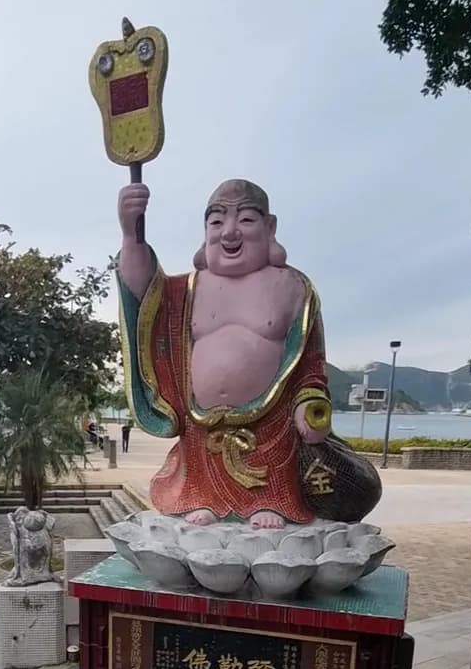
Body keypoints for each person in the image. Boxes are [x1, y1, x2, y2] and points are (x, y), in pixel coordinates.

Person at [117, 178, 333, 528]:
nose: (229, 232)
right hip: (201, 425)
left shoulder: (292, 287)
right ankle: (200, 497)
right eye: (216, 222)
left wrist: (311, 404)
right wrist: (131, 234)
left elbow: (310, 360)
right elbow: (142, 296)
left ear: (270, 226)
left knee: (272, 467)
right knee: (200, 488)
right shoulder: (187, 288)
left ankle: (271, 502)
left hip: (269, 425)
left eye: (246, 220)